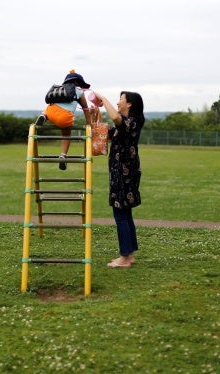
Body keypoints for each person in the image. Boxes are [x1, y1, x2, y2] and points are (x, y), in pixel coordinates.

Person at [94, 90, 145, 268]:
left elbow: (117, 118)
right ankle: (129, 255)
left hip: (125, 174)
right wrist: (95, 111)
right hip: (121, 173)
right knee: (125, 213)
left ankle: (125, 257)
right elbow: (103, 131)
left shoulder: (133, 122)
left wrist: (103, 98)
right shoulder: (123, 126)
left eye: (120, 99)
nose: (117, 102)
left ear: (129, 104)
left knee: (120, 213)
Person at [35, 69, 92, 170]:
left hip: (51, 111)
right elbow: (85, 108)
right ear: (77, 82)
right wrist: (89, 123)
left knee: (48, 109)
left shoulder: (59, 89)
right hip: (65, 117)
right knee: (66, 135)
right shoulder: (79, 91)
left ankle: (43, 116)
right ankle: (63, 155)